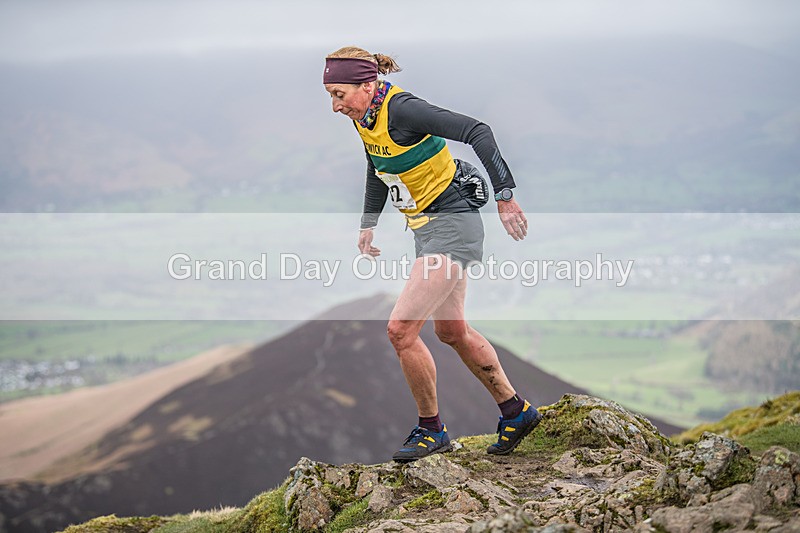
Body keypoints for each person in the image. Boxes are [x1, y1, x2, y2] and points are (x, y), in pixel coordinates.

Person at [323, 46, 541, 462]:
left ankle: (431, 430)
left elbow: (478, 130)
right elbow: (377, 165)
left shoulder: (403, 109)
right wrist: (369, 223)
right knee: (451, 332)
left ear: (367, 85)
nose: (335, 106)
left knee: (400, 331)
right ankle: (516, 412)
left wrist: (506, 196)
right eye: (331, 95)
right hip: (426, 230)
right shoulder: (364, 116)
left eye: (340, 94)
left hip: (452, 227)